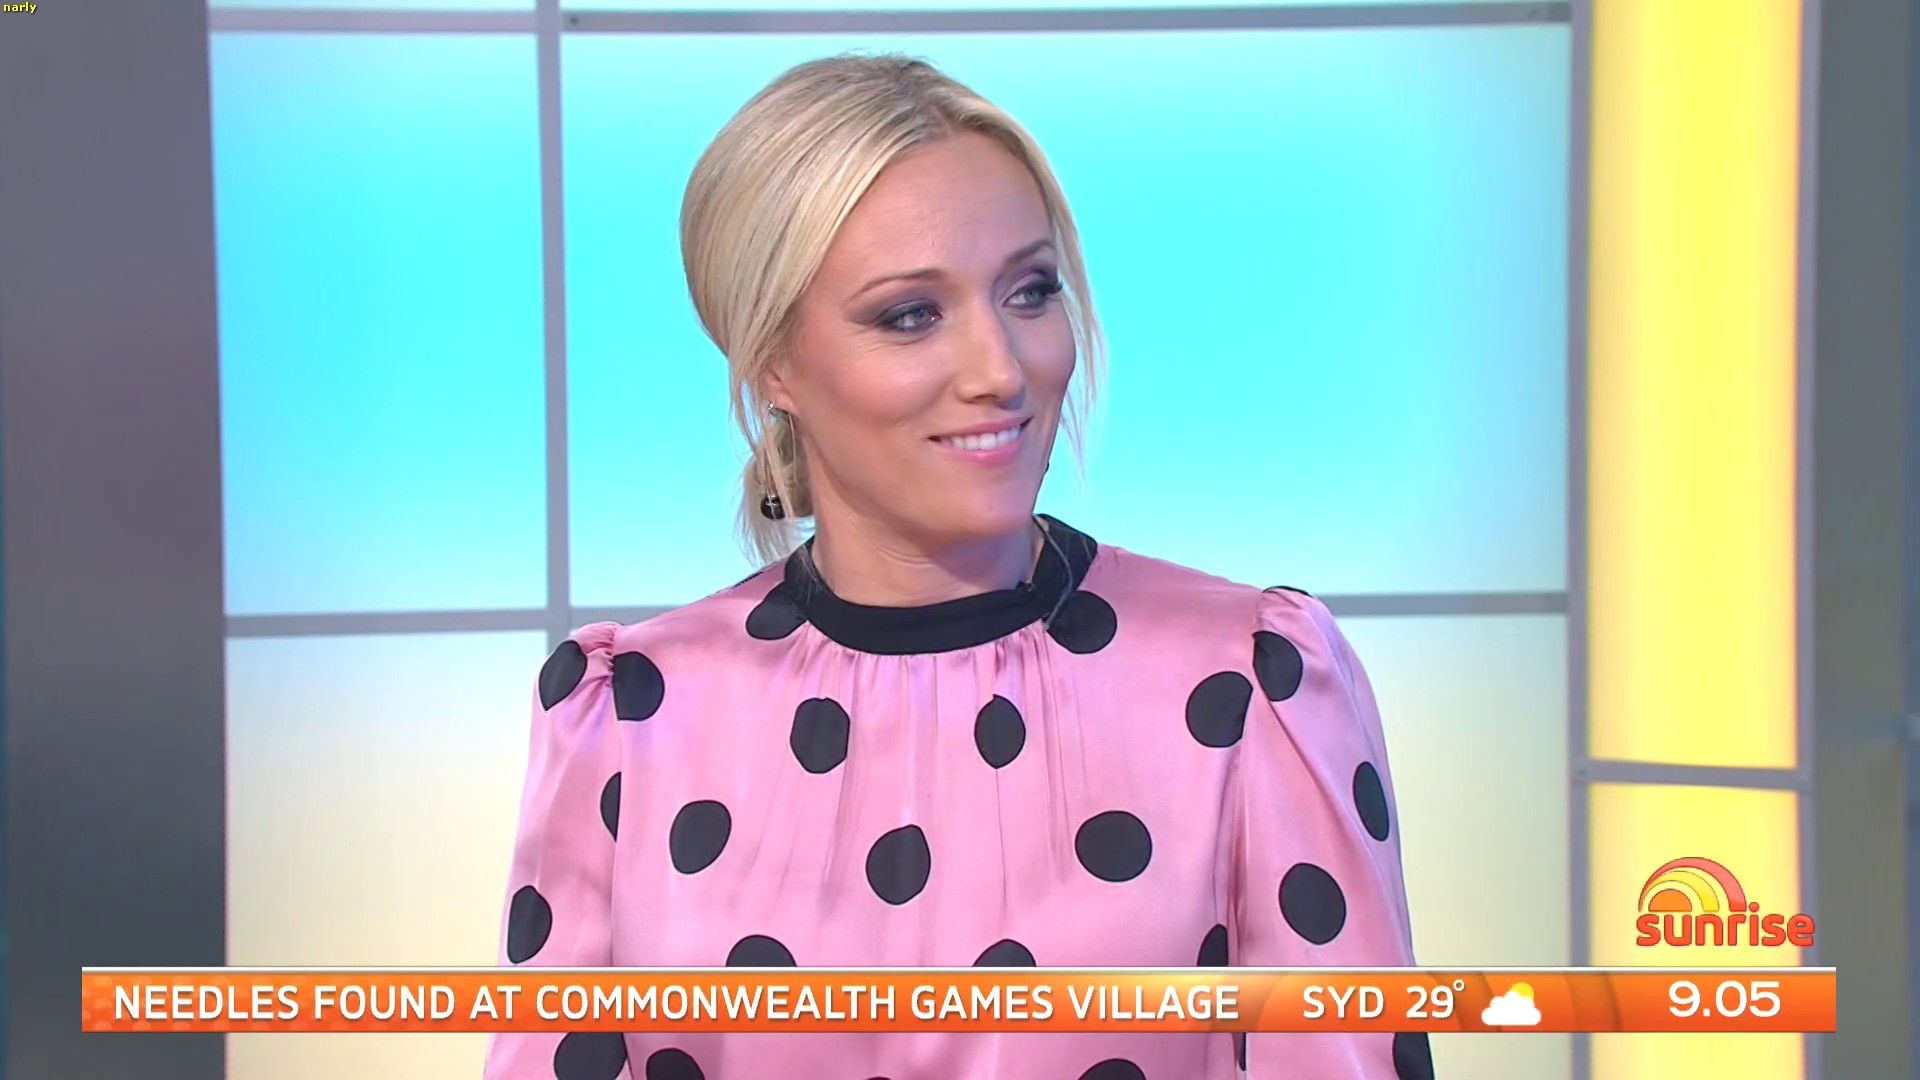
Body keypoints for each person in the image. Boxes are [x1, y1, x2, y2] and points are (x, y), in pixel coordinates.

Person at [483, 52, 1427, 1080]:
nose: (1000, 370)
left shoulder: (1254, 681)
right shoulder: (627, 715)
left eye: (1030, 292)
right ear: (774, 362)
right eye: (911, 315)